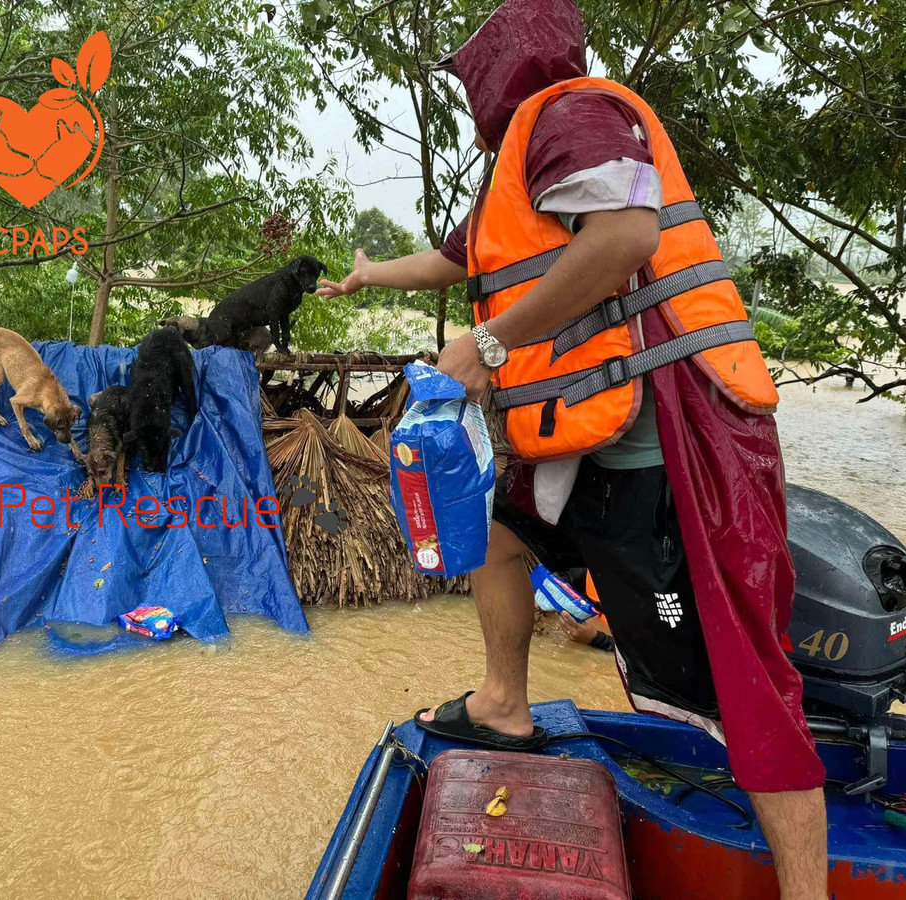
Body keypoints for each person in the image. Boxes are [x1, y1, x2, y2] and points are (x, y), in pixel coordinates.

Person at [317, 1, 828, 896]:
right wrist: (367, 275)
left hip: (671, 439)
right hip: (583, 436)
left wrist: (491, 344)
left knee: (739, 676)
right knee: (500, 538)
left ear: (505, 68)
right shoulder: (522, 165)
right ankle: (502, 704)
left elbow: (627, 235)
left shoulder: (569, 114)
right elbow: (454, 263)